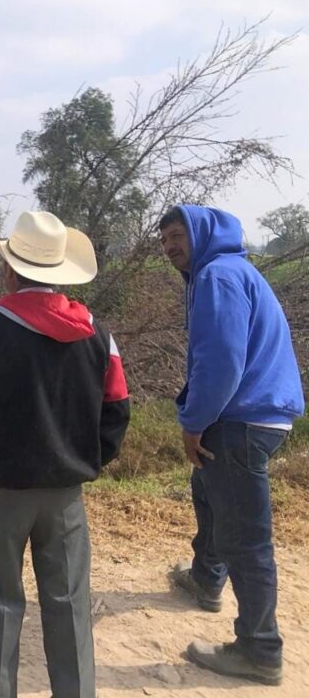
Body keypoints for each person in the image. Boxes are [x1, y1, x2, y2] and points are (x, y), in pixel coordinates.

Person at [0, 210, 130, 698]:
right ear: (61, 271)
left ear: (9, 269)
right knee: (69, 602)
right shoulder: (98, 335)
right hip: (66, 494)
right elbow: (116, 411)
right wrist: (86, 460)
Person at [159, 205, 304, 686]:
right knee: (207, 488)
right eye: (165, 240)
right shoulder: (227, 271)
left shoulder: (218, 276)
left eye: (178, 235)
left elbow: (221, 363)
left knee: (246, 537)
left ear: (201, 234)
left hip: (240, 419)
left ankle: (259, 650)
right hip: (255, 414)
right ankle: (205, 576)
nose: (171, 246)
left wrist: (193, 422)